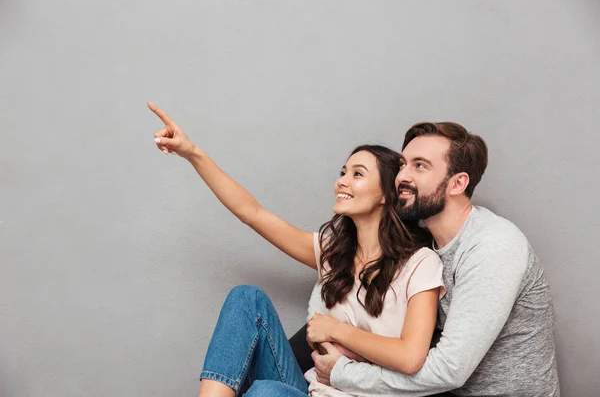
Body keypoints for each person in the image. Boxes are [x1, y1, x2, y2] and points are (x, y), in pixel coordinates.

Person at [147, 102, 446, 397]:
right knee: (246, 299)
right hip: (311, 390)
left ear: (385, 194)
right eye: (343, 172)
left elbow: (410, 357)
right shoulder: (333, 252)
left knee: (265, 392)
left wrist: (335, 330)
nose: (341, 181)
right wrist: (193, 153)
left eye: (357, 174)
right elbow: (252, 213)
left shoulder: (421, 264)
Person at [311, 122, 560, 396]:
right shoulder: (422, 243)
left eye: (420, 166)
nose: (401, 177)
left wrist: (342, 372)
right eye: (403, 164)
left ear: (457, 183)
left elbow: (449, 370)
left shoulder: (492, 245)